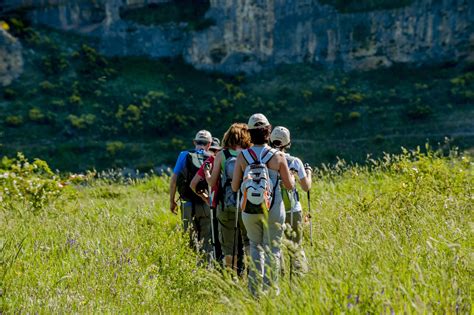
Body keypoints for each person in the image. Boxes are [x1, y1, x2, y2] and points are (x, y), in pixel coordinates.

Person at [231, 114, 295, 296]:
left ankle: (254, 291)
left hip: (250, 208)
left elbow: (235, 187)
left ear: (249, 133)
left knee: (255, 246)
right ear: (268, 131)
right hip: (274, 208)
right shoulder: (279, 156)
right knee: (272, 248)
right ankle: (271, 291)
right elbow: (289, 185)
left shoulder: (243, 156)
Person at [206, 123, 252, 271]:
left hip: (226, 206)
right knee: (248, 242)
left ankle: (231, 278)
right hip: (246, 204)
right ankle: (253, 276)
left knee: (228, 246)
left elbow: (212, 182)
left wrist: (207, 174)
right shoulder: (248, 154)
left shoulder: (221, 155)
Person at [270, 126, 312, 275]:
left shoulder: (267, 159)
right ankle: (298, 278)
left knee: (275, 246)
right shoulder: (295, 161)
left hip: (272, 208)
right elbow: (306, 187)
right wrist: (308, 172)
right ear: (288, 143)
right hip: (293, 210)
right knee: (295, 246)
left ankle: (278, 274)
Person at [169, 130, 213, 255]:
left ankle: (192, 267)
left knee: (189, 240)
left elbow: (174, 180)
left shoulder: (184, 155)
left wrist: (172, 201)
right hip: (205, 203)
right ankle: (206, 269)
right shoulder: (211, 157)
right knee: (206, 240)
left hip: (187, 203)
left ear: (194, 142)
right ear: (209, 144)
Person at [190, 137, 223, 261]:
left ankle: (212, 263)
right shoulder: (225, 159)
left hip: (213, 204)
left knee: (212, 237)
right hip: (226, 203)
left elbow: (193, 185)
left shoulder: (209, 161)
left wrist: (206, 198)